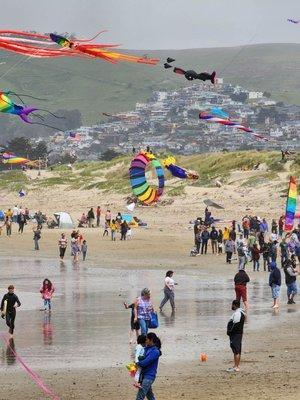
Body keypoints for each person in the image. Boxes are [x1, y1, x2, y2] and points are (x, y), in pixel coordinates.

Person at [136, 332, 161, 400]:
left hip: (149, 377)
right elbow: (141, 357)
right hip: (144, 376)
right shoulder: (147, 348)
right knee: (150, 397)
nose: (145, 341)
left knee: (139, 397)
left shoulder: (155, 351)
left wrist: (137, 363)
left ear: (151, 340)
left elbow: (145, 362)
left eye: (147, 339)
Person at [226, 300, 245, 373]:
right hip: (237, 334)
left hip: (236, 334)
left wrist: (230, 332)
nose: (231, 306)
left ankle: (236, 367)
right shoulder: (240, 313)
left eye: (232, 305)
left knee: (237, 351)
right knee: (236, 350)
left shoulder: (238, 313)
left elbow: (236, 324)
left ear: (234, 305)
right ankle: (235, 366)